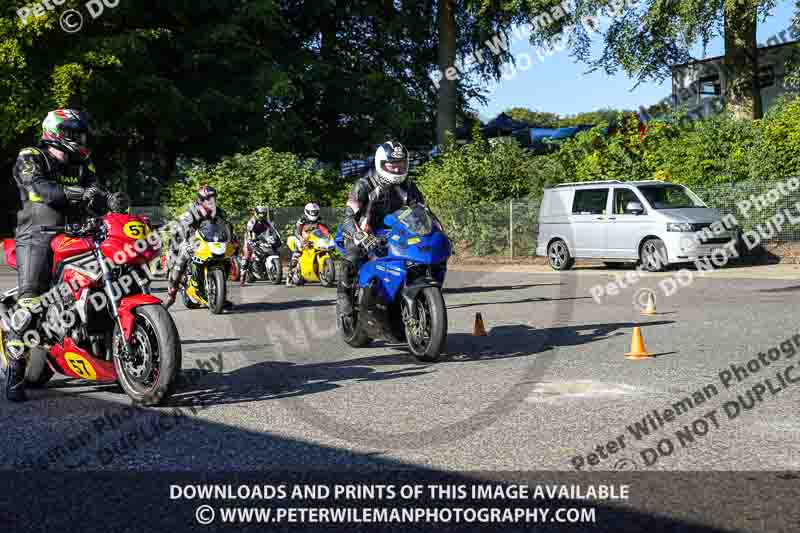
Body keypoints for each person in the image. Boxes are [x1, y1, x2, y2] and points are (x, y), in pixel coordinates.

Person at [4, 109, 127, 402]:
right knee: (31, 302)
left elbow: (97, 192)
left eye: (82, 134)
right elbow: (39, 189)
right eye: (75, 134)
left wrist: (111, 201)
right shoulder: (31, 155)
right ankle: (15, 369)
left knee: (112, 280)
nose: (81, 140)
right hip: (38, 235)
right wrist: (80, 195)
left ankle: (110, 359)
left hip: (79, 234)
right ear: (57, 133)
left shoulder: (83, 165)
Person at [337, 141, 423, 317]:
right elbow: (347, 217)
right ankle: (344, 294)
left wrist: (435, 230)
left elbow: (422, 210)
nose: (398, 169)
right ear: (381, 164)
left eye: (401, 164)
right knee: (353, 255)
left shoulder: (408, 186)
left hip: (395, 231)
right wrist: (359, 235)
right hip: (363, 230)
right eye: (393, 165)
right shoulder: (364, 184)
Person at [163, 185, 233, 309]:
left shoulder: (219, 211)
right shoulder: (193, 211)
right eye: (208, 198)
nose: (211, 200)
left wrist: (232, 237)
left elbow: (226, 225)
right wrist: (182, 233)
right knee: (181, 260)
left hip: (211, 241)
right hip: (192, 241)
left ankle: (219, 295)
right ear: (200, 199)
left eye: (213, 197)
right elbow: (181, 224)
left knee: (227, 259)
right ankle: (171, 295)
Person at [286, 202, 324, 285]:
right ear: (307, 211)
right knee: (297, 253)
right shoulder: (302, 219)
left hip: (314, 239)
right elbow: (297, 231)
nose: (314, 213)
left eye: (315, 211)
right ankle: (289, 276)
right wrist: (301, 239)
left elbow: (324, 229)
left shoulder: (319, 219)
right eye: (312, 212)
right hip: (301, 238)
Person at [241, 205, 279, 285]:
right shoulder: (251, 222)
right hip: (250, 237)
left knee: (273, 249)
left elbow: (273, 230)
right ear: (256, 213)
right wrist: (251, 241)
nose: (262, 215)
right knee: (247, 255)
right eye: (260, 213)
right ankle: (243, 276)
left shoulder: (266, 221)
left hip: (262, 238)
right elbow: (249, 233)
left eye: (263, 214)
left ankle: (266, 268)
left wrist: (277, 238)